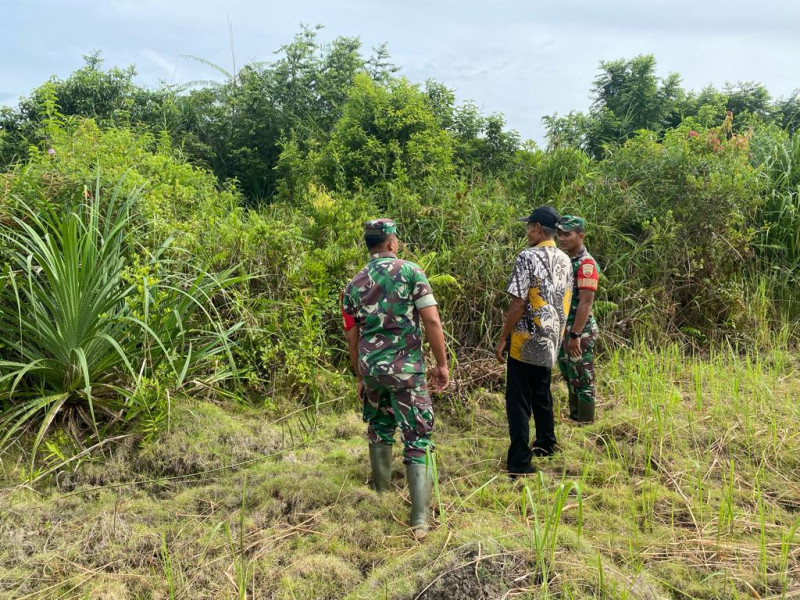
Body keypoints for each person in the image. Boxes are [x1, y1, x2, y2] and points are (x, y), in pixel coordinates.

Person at [341, 219, 449, 541]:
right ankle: (419, 521)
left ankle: (381, 496)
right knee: (417, 436)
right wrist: (441, 364)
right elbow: (431, 319)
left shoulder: (353, 284)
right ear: (391, 242)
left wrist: (360, 374)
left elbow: (351, 334)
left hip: (373, 371)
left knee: (380, 427)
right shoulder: (411, 272)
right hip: (407, 371)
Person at [495, 206, 572, 477]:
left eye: (529, 226)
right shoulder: (565, 259)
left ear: (538, 228)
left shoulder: (527, 256)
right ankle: (546, 444)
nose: (527, 231)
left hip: (526, 339)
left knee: (517, 400)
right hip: (551, 338)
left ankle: (519, 463)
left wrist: (503, 336)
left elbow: (518, 302)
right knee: (541, 391)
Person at [556, 215, 600, 423]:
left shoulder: (586, 264)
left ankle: (585, 424)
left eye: (567, 234)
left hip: (579, 332)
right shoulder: (567, 260)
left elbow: (586, 302)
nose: (562, 238)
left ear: (580, 236)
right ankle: (575, 418)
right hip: (566, 331)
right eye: (559, 234)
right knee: (570, 375)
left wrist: (575, 334)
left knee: (583, 378)